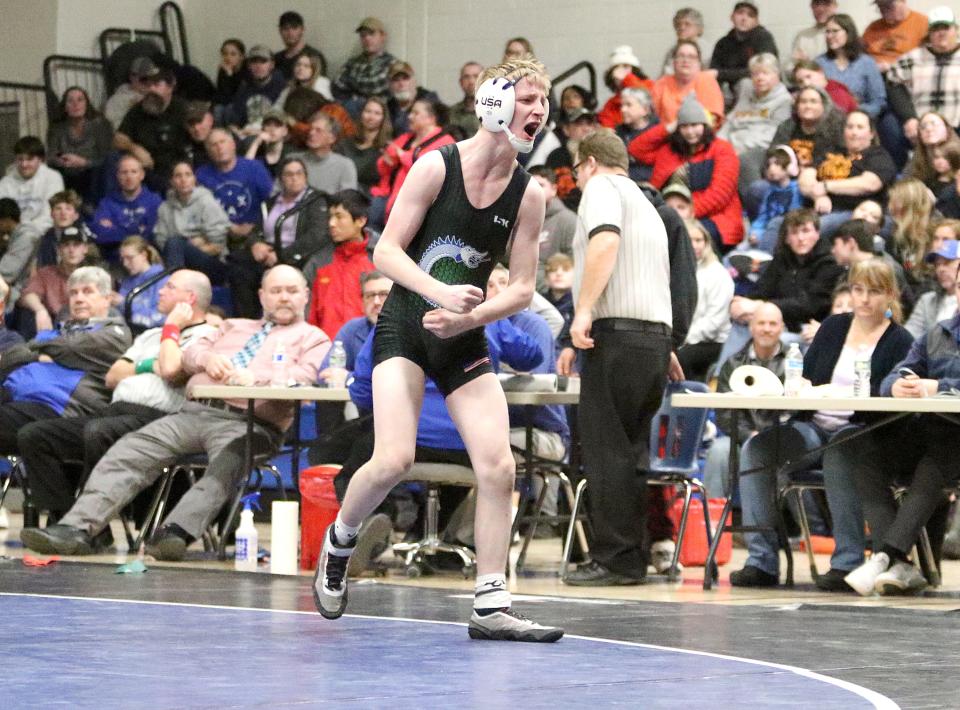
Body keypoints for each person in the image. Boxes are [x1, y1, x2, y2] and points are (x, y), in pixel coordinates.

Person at [313, 57, 562, 642]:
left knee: (499, 464)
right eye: (528, 99)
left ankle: (491, 601)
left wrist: (468, 314)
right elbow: (386, 254)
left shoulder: (529, 195)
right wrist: (440, 293)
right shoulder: (435, 166)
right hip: (405, 321)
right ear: (495, 104)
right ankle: (341, 539)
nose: (540, 111)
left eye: (544, 102)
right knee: (393, 458)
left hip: (461, 331)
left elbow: (523, 289)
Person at [19, 264, 329, 559]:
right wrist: (207, 359)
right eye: (276, 291)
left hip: (251, 423)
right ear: (262, 296)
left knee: (227, 463)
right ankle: (77, 529)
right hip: (193, 412)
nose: (284, 297)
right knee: (128, 449)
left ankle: (174, 533)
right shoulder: (232, 326)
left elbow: (304, 378)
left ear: (305, 294)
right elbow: (191, 351)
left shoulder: (313, 338)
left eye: (291, 290)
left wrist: (257, 380)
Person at [559, 128, 696, 587]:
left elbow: (605, 243)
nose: (577, 181)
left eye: (577, 170)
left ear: (591, 163)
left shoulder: (601, 188)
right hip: (653, 341)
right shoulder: (651, 209)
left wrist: (581, 313)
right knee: (633, 452)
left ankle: (615, 560)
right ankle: (631, 555)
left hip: (614, 336)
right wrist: (666, 343)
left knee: (606, 453)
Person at [729, 259, 913, 590]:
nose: (864, 300)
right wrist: (799, 388)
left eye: (873, 292)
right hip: (814, 425)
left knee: (840, 448)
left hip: (866, 431)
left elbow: (889, 398)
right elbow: (807, 379)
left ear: (890, 295)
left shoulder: (901, 340)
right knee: (756, 450)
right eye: (858, 290)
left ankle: (847, 562)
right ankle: (762, 561)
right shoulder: (833, 327)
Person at [17, 270, 214, 528]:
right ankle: (63, 520)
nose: (161, 291)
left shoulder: (208, 335)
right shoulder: (149, 335)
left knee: (98, 432)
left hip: (162, 419)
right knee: (35, 435)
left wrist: (171, 330)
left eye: (169, 287)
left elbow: (170, 370)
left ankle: (87, 528)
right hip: (116, 411)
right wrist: (147, 364)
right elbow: (113, 376)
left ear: (189, 298)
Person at [843, 266, 960, 596]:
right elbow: (898, 373)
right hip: (931, 430)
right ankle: (901, 566)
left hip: (955, 439)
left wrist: (939, 386)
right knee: (865, 453)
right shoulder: (938, 334)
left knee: (938, 457)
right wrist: (897, 387)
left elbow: (936, 384)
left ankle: (885, 556)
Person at [0, 266, 131, 460]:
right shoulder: (58, 331)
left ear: (107, 298)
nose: (78, 299)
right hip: (14, 397)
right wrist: (41, 354)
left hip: (54, 408)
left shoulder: (114, 333)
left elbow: (69, 347)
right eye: (73, 293)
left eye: (87, 292)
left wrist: (36, 350)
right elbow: (10, 357)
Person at [630, 95, 744, 252]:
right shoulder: (669, 150)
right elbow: (636, 148)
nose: (690, 132)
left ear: (705, 125)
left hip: (714, 219)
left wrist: (682, 213)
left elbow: (719, 196)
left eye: (695, 125)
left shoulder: (722, 149)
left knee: (682, 238)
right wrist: (668, 127)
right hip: (670, 213)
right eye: (684, 126)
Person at [726, 209, 844, 356]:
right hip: (780, 321)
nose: (801, 238)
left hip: (808, 328)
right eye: (794, 233)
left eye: (806, 231)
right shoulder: (782, 259)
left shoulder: (829, 263)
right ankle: (722, 375)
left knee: (765, 332)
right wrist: (740, 304)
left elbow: (810, 305)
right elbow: (761, 291)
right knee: (742, 322)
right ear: (787, 238)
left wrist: (764, 307)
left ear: (817, 233)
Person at [703, 301, 786, 499]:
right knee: (719, 451)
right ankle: (713, 521)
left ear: (782, 328)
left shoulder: (795, 362)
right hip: (741, 438)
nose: (766, 329)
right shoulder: (732, 364)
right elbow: (724, 413)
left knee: (784, 457)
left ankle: (799, 526)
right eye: (761, 323)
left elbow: (798, 410)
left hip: (781, 439)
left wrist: (767, 437)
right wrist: (749, 434)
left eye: (773, 324)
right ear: (751, 327)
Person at [799, 110, 898, 239]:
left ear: (871, 133)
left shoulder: (878, 155)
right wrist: (818, 196)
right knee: (780, 223)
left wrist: (825, 186)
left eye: (860, 127)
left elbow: (869, 184)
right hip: (817, 209)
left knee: (816, 227)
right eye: (850, 127)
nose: (854, 132)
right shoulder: (832, 152)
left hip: (855, 213)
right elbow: (805, 178)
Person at [718, 53, 793, 191]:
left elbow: (773, 134)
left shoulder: (784, 101)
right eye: (755, 74)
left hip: (759, 149)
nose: (760, 78)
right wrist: (718, 143)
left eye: (765, 73)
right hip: (731, 147)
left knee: (743, 161)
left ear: (777, 74)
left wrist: (741, 147)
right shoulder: (746, 94)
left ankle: (754, 205)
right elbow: (730, 120)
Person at [308, 189, 375, 338]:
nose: (331, 223)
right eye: (330, 217)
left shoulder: (380, 260)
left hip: (370, 349)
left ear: (361, 221)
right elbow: (308, 315)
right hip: (325, 350)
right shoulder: (318, 262)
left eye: (339, 217)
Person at [887, 7, 960, 142]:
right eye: (936, 29)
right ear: (929, 34)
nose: (941, 33)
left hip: (956, 126)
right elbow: (893, 84)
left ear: (956, 29)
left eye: (946, 27)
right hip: (921, 125)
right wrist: (909, 118)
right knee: (888, 124)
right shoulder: (911, 59)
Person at [154, 160, 231, 283]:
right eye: (178, 176)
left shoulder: (206, 201)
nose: (183, 179)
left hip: (212, 263)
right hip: (177, 259)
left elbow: (217, 245)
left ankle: (175, 286)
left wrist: (188, 248)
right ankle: (176, 284)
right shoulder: (165, 208)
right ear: (172, 181)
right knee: (174, 244)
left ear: (194, 179)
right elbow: (162, 242)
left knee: (175, 243)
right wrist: (190, 244)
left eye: (188, 175)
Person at [115, 63, 190, 186]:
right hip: (145, 170)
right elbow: (118, 138)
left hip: (175, 170)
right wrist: (134, 148)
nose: (151, 89)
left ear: (170, 88)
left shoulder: (182, 110)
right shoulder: (138, 110)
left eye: (156, 85)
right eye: (148, 85)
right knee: (113, 159)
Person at [678, 219, 733, 382]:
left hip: (713, 341)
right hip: (684, 337)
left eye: (698, 240)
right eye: (689, 240)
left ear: (706, 242)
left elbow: (714, 322)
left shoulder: (718, 274)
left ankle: (688, 402)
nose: (694, 245)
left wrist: (684, 339)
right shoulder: (677, 271)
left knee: (681, 356)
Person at [196, 128, 274, 243]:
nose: (219, 148)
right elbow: (200, 213)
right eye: (214, 145)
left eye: (223, 142)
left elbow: (272, 202)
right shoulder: (201, 175)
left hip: (256, 234)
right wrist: (230, 228)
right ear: (208, 151)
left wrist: (255, 227)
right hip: (217, 236)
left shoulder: (255, 168)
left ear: (233, 145)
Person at [19, 225, 96, 331]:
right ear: (59, 250)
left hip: (87, 325)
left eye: (76, 245)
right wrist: (40, 310)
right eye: (66, 245)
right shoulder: (46, 273)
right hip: (53, 325)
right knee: (26, 314)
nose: (71, 250)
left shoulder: (95, 275)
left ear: (85, 249)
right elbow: (27, 295)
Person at [46, 86, 113, 202]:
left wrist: (84, 162)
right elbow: (51, 155)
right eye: (70, 101)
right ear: (65, 107)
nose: (75, 104)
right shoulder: (57, 127)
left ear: (87, 104)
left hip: (93, 172)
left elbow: (107, 156)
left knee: (105, 167)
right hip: (66, 171)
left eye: (80, 100)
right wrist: (61, 160)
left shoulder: (100, 125)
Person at [90, 154, 162, 262]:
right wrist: (137, 229)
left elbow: (152, 235)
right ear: (118, 176)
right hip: (116, 259)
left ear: (142, 175)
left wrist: (116, 228)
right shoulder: (107, 203)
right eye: (124, 172)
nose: (129, 177)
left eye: (133, 172)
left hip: (147, 258)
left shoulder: (155, 201)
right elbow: (101, 234)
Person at [816, 14, 887, 121]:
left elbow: (878, 102)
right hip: (827, 121)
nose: (830, 36)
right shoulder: (819, 63)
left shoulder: (866, 63)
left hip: (858, 119)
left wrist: (854, 110)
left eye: (835, 31)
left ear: (848, 33)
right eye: (827, 31)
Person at [710, 2, 779, 104]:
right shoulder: (723, 43)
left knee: (746, 83)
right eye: (740, 13)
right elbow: (714, 71)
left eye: (750, 15)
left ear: (756, 21)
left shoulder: (763, 38)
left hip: (758, 87)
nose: (744, 18)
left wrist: (722, 74)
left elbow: (761, 71)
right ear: (732, 17)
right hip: (729, 89)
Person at [652, 40, 725, 127]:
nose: (686, 60)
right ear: (674, 61)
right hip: (667, 136)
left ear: (699, 63)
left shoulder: (706, 80)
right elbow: (653, 118)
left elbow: (713, 119)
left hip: (699, 135)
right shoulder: (661, 83)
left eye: (691, 57)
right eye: (681, 56)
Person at [332, 17, 396, 117]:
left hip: (381, 116)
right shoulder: (353, 63)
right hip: (355, 115)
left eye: (371, 34)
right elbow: (336, 86)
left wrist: (358, 94)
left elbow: (376, 89)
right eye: (363, 35)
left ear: (383, 36)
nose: (367, 38)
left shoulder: (391, 63)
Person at [0, 136, 64, 235]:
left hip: (44, 232)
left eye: (29, 159)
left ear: (40, 160)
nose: (24, 164)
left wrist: (27, 231)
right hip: (12, 234)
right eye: (20, 159)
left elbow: (50, 215)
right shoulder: (6, 182)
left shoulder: (53, 178)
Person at [527, 166, 577, 290]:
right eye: (528, 186)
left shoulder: (568, 220)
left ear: (554, 189)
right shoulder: (516, 218)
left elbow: (573, 265)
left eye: (540, 185)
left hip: (553, 294)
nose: (534, 191)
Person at [749, 145, 803, 253]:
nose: (771, 169)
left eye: (777, 164)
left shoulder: (796, 190)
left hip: (782, 236)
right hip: (765, 233)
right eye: (769, 165)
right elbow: (762, 217)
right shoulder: (770, 191)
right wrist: (755, 233)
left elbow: (793, 219)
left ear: (790, 167)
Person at [904, 237, 960, 339]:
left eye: (947, 263)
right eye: (937, 264)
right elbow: (909, 335)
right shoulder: (927, 301)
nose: (941, 269)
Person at [338, 97, 392, 197]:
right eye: (368, 111)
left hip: (369, 198)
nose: (371, 117)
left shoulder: (387, 149)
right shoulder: (345, 143)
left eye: (377, 113)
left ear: (383, 118)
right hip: (341, 192)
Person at [227, 45, 286, 133]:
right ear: (248, 65)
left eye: (263, 61)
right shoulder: (244, 87)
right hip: (247, 133)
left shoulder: (282, 86)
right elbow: (235, 120)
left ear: (272, 65)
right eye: (254, 62)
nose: (258, 66)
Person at [295, 112, 359, 194]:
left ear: (332, 138)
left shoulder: (345, 166)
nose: (311, 133)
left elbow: (348, 201)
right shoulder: (294, 160)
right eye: (311, 129)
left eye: (318, 130)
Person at [862, 0, 929, 74]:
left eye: (888, 6)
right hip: (872, 73)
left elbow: (928, 58)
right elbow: (859, 52)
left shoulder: (923, 23)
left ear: (903, 1)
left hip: (904, 74)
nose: (884, 11)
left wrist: (893, 66)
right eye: (880, 7)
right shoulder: (873, 27)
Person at [116, 236, 167, 330]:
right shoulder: (126, 282)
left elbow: (159, 318)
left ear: (144, 255)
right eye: (123, 259)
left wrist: (123, 303)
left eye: (130, 258)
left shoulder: (162, 279)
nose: (125, 263)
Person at [596, 45, 653, 129]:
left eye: (625, 67)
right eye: (616, 68)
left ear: (634, 70)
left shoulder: (650, 85)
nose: (620, 72)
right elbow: (608, 133)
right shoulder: (610, 105)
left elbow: (647, 98)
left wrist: (627, 78)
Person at [0, 198, 41, 312]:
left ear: (6, 220)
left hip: (22, 291)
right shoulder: (13, 234)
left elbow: (6, 274)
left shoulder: (26, 236)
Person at [35, 189, 93, 268]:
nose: (63, 213)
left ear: (76, 215)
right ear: (52, 214)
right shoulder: (44, 240)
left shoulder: (85, 238)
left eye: (68, 208)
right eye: (58, 208)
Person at [907, 112, 960, 194]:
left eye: (934, 124)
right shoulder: (917, 158)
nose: (929, 129)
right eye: (923, 127)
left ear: (947, 128)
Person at [615, 88, 658, 183]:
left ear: (645, 109)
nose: (623, 109)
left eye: (628, 105)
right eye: (622, 105)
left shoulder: (659, 131)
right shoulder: (618, 133)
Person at [273, 11, 327, 81]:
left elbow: (320, 86)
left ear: (302, 30)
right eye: (285, 29)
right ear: (280, 31)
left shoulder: (315, 56)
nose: (290, 33)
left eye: (294, 28)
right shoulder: (276, 59)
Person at [791, 60, 858, 115]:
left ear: (821, 73)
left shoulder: (838, 93)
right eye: (800, 82)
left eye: (808, 76)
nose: (806, 83)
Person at [789, 0, 838, 74]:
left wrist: (809, 65)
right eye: (817, 3)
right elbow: (789, 71)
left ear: (835, 6)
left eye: (826, 4)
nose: (820, 9)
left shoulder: (843, 34)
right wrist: (797, 66)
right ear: (811, 7)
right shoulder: (802, 37)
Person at [244, 109, 293, 177]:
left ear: (285, 131)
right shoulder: (257, 150)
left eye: (277, 125)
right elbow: (244, 172)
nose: (272, 129)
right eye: (268, 125)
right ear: (263, 129)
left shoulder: (290, 154)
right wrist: (256, 143)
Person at [660, 8, 706, 76]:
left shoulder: (706, 50)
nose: (682, 28)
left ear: (699, 28)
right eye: (678, 24)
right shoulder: (672, 50)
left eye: (687, 24)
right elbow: (664, 76)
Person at [447, 62, 483, 139]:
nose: (471, 81)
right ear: (461, 82)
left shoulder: (493, 111)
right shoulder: (451, 113)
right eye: (466, 77)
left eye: (476, 76)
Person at [213, 39, 246, 114]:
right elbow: (222, 95)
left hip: (242, 104)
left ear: (242, 57)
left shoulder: (247, 70)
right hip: (226, 103)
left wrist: (229, 76)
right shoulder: (224, 69)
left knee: (229, 108)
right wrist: (228, 74)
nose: (228, 57)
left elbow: (238, 96)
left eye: (233, 54)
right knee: (218, 108)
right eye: (225, 54)